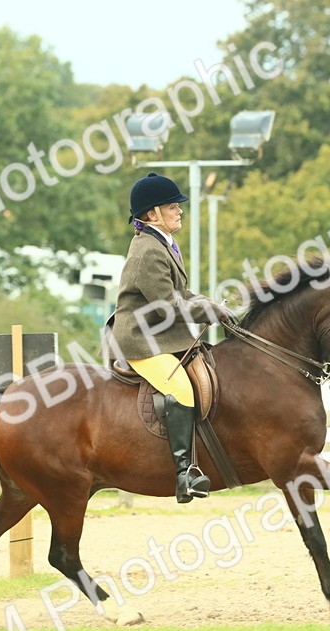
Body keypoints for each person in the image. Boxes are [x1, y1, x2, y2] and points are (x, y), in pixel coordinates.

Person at [109, 172, 233, 504]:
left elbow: (180, 293)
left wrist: (210, 304)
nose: (179, 210)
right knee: (180, 387)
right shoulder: (148, 250)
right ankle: (184, 473)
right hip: (142, 339)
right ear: (151, 214)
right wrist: (207, 312)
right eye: (172, 206)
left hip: (164, 336)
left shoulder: (162, 243)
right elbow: (166, 305)